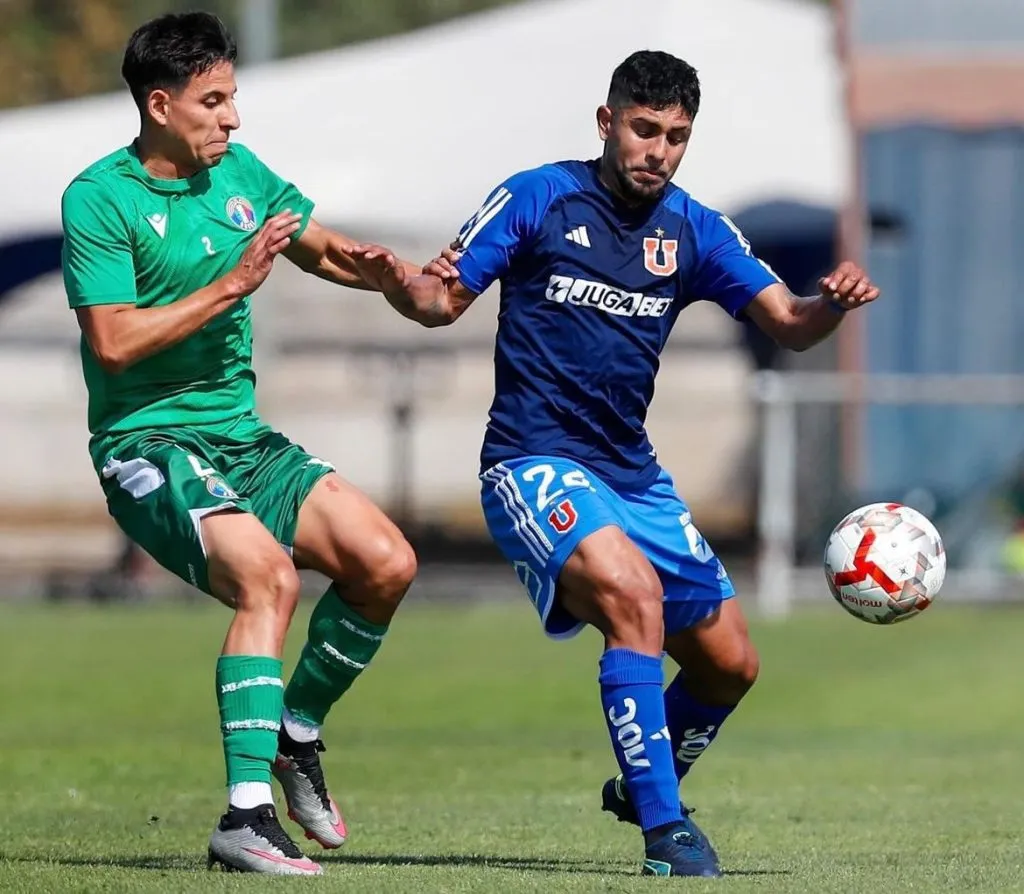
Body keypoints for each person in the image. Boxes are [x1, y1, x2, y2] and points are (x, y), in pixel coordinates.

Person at [348, 50, 880, 877]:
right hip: (532, 463)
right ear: (607, 122)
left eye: (675, 136)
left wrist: (829, 306)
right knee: (632, 597)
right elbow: (438, 301)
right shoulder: (536, 198)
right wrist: (396, 285)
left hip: (631, 475)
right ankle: (666, 834)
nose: (658, 150)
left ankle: (644, 782)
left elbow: (789, 322)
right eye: (644, 129)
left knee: (731, 663)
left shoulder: (696, 228)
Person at [60, 12, 451, 876]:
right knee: (267, 578)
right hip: (147, 443)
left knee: (385, 562)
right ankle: (244, 819)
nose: (232, 119)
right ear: (160, 105)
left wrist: (388, 278)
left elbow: (320, 249)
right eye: (214, 101)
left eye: (233, 97)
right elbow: (115, 342)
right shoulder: (99, 197)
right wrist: (232, 285)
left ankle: (292, 730)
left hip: (240, 438)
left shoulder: (238, 173)